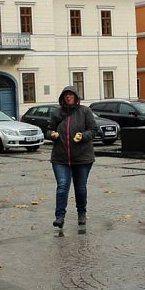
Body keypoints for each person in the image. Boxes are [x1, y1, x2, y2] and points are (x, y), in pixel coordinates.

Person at [47, 86, 97, 228]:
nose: (68, 97)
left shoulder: (85, 111)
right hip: (60, 158)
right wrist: (51, 134)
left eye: (71, 95)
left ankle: (81, 213)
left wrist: (83, 136)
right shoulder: (57, 113)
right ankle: (60, 217)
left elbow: (93, 130)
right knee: (62, 186)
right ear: (63, 97)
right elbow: (49, 129)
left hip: (82, 157)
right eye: (66, 95)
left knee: (80, 187)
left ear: (76, 97)